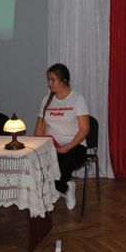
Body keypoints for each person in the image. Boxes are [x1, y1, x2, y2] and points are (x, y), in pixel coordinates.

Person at [34, 63, 90, 210]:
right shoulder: (46, 100)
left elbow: (84, 129)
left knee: (60, 171)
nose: (49, 83)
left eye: (53, 80)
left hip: (75, 145)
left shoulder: (77, 99)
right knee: (41, 170)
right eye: (48, 80)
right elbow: (40, 128)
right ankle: (66, 188)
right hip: (52, 145)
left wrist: (66, 148)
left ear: (64, 80)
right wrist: (38, 147)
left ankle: (60, 188)